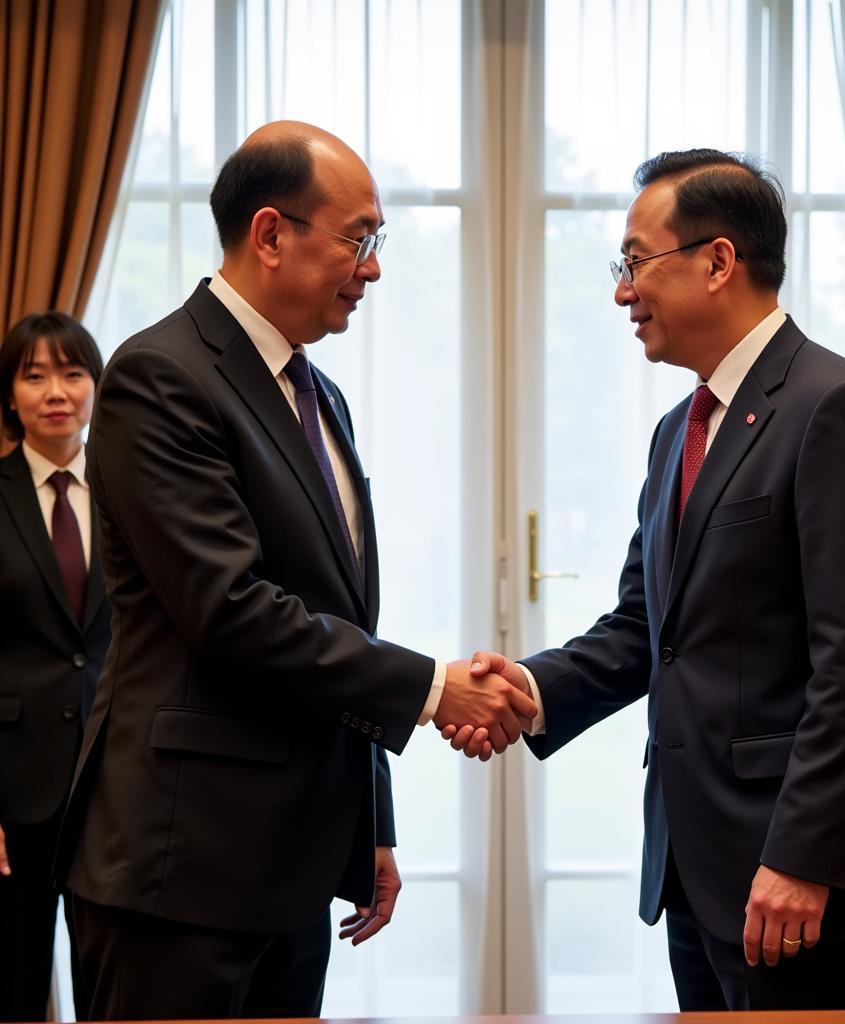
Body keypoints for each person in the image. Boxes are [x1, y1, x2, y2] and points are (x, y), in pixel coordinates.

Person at [447, 148, 845, 1010]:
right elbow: (646, 628)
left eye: (634, 262)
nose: (622, 292)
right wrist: (528, 688)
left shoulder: (834, 408)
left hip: (797, 879)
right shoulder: (677, 431)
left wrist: (803, 854)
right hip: (700, 865)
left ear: (718, 261)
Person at [58, 121, 535, 1020]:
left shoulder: (323, 397)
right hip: (179, 870)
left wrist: (371, 828)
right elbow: (232, 611)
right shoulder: (160, 376)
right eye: (361, 240)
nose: (375, 268)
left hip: (293, 869)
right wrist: (438, 688)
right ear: (271, 234)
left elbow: (339, 622)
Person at [0, 312, 110, 1022]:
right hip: (13, 783)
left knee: (115, 986)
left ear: (97, 387)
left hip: (116, 775)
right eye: (33, 375)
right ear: (10, 395)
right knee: (11, 983)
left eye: (72, 373)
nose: (55, 392)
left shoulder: (134, 488)